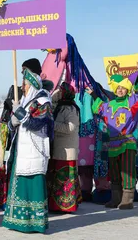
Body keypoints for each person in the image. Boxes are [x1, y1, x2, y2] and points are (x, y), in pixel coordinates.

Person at [87, 58, 138, 210]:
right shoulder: (109, 105)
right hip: (113, 144)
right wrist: (93, 94)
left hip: (127, 143)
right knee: (114, 171)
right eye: (117, 88)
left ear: (127, 89)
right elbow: (99, 108)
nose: (120, 90)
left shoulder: (131, 102)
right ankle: (116, 198)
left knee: (127, 170)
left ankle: (127, 199)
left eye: (123, 87)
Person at [2, 68, 53, 233]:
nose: (22, 87)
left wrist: (20, 113)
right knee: (20, 184)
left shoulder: (43, 101)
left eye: (24, 84)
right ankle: (18, 220)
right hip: (22, 149)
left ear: (31, 85)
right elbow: (13, 125)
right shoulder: (26, 101)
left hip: (34, 149)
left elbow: (36, 124)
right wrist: (13, 120)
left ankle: (34, 222)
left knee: (33, 184)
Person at [48, 82, 81, 213]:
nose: (59, 93)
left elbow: (70, 127)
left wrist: (52, 124)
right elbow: (52, 98)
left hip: (67, 150)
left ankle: (66, 205)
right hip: (60, 148)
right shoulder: (60, 107)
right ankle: (57, 204)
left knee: (65, 179)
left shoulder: (71, 109)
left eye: (62, 91)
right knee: (58, 179)